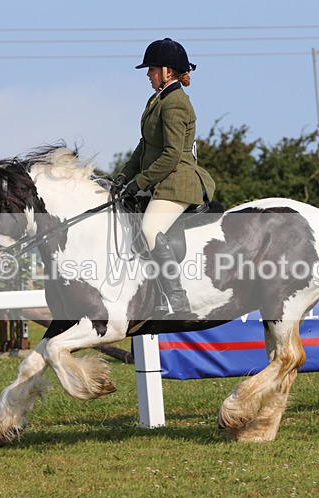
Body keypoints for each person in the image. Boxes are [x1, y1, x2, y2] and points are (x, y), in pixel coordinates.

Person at [118, 38, 216, 315]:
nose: (148, 74)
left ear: (167, 71)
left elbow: (172, 155)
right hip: (161, 178)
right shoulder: (157, 99)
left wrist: (141, 181)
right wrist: (124, 176)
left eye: (151, 69)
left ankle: (176, 298)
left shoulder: (175, 104)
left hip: (178, 181)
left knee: (150, 229)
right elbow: (144, 146)